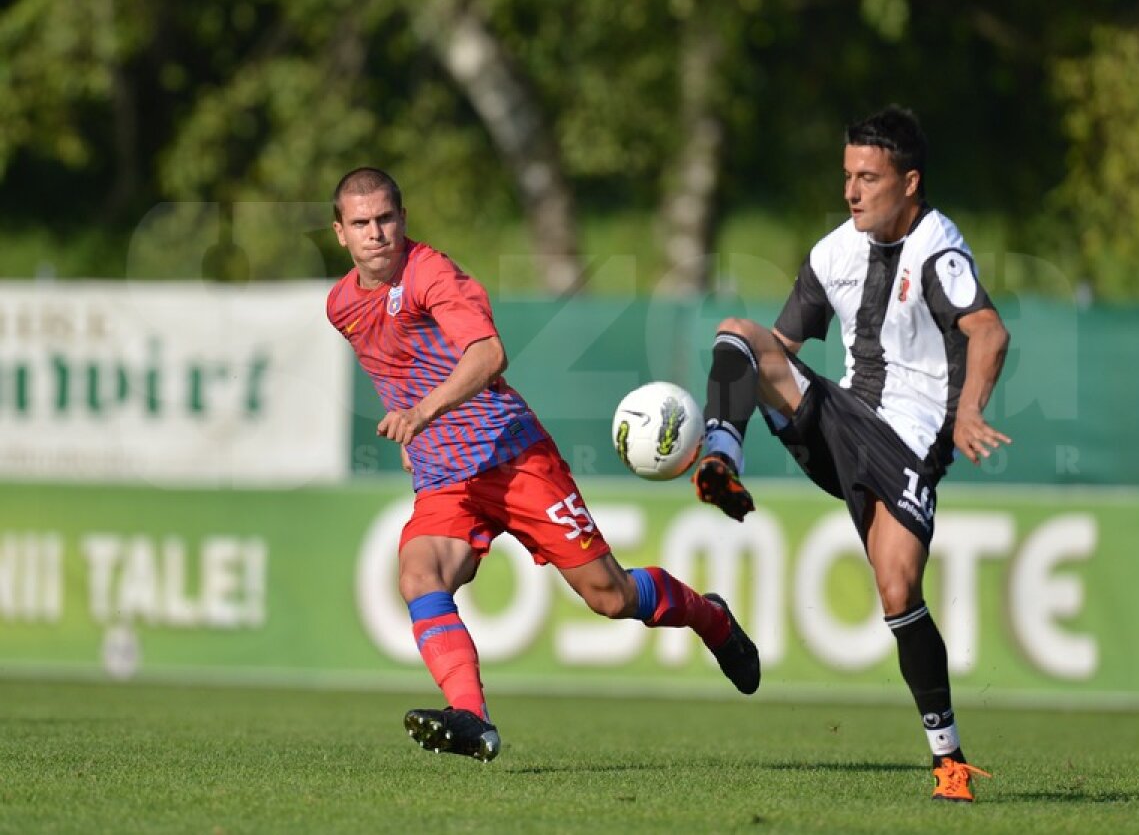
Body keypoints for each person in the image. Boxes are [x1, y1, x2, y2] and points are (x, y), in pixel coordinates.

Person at [326, 167, 760, 763]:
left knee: (608, 597)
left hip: (513, 456)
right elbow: (396, 364)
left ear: (403, 220)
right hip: (446, 479)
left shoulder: (431, 273)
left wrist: (423, 413)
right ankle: (472, 719)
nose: (376, 233)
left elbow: (488, 353)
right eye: (361, 223)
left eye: (386, 219)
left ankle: (711, 618)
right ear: (340, 234)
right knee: (418, 576)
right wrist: (411, 429)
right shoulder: (342, 304)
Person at [691, 106, 1010, 802]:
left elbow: (987, 331)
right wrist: (743, 401)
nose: (852, 191)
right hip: (843, 423)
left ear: (910, 182)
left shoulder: (938, 247)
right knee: (739, 335)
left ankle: (948, 762)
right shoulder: (834, 251)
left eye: (869, 177)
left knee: (898, 590)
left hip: (910, 444)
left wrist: (969, 410)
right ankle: (720, 458)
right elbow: (776, 354)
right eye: (847, 176)